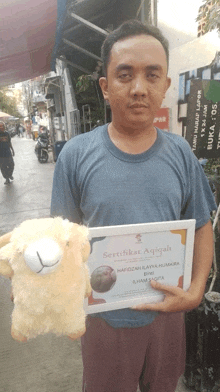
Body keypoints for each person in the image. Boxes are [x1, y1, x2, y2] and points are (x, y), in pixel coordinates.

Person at [51, 20, 216, 392]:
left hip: (167, 312)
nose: (139, 88)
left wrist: (195, 289)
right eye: (125, 75)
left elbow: (202, 223)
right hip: (103, 319)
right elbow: (60, 240)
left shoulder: (180, 153)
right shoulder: (76, 156)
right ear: (106, 88)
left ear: (165, 85)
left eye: (152, 75)